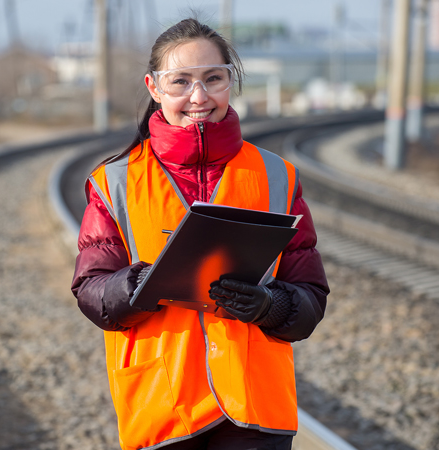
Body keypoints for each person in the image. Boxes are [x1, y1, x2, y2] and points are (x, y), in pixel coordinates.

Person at [71, 18, 329, 450]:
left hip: (254, 411)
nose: (199, 96)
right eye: (181, 82)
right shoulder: (114, 181)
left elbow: (310, 295)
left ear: (231, 81)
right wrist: (135, 286)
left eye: (213, 78)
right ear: (154, 88)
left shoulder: (277, 176)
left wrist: (271, 305)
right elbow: (90, 290)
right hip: (163, 406)